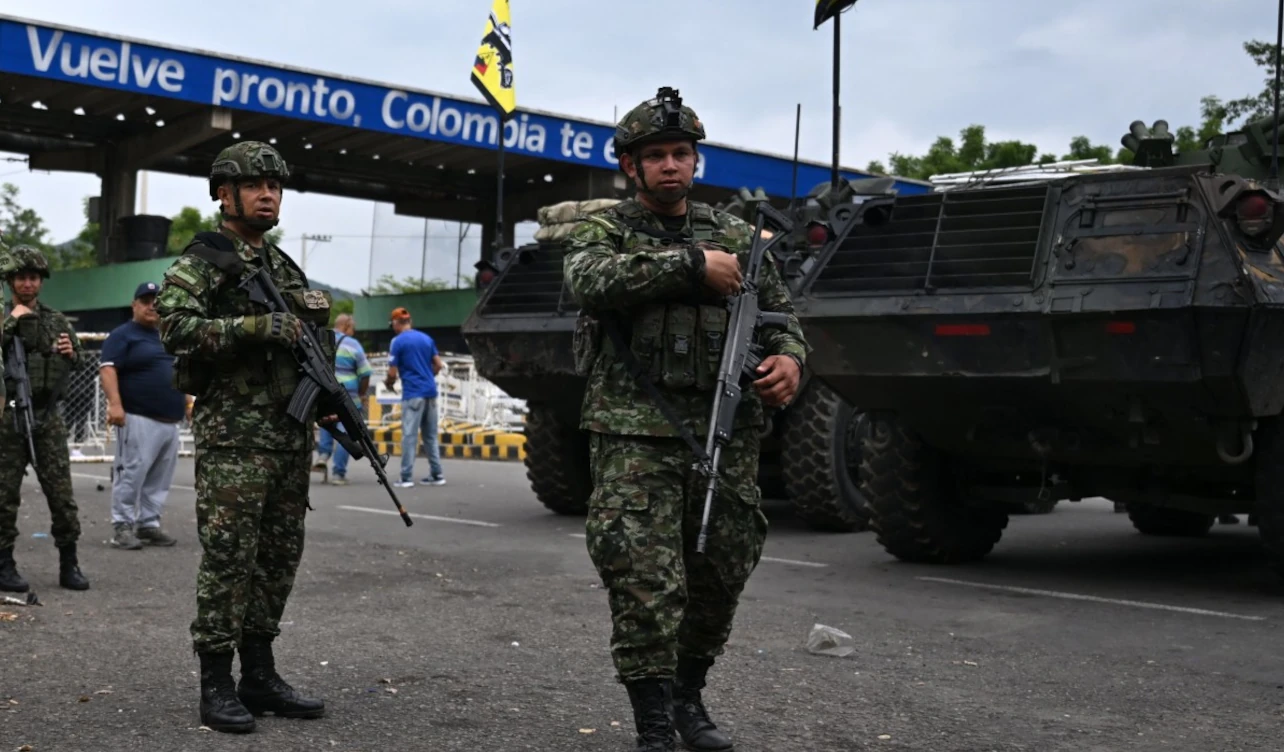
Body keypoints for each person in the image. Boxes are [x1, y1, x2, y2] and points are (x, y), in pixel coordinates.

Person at [563, 87, 808, 752]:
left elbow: (784, 319)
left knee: (721, 572)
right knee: (645, 581)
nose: (671, 165)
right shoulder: (604, 231)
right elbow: (589, 280)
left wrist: (789, 361)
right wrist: (693, 266)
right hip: (634, 434)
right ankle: (653, 723)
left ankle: (687, 697)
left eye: (681, 153)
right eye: (655, 156)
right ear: (630, 167)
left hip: (724, 433)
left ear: (696, 161)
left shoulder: (739, 237)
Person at [155, 140, 328, 733]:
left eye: (275, 186)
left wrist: (327, 403)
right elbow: (173, 326)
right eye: (255, 185)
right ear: (224, 195)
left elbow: (305, 346)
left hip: (288, 436)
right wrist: (253, 327)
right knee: (230, 560)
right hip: (235, 438)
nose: (268, 195)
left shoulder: (282, 268)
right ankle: (215, 682)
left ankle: (259, 674)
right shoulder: (203, 259)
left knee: (279, 558)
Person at [0, 245, 93, 593]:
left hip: (47, 417)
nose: (27, 284)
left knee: (62, 496)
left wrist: (72, 353)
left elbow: (80, 360)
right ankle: (4, 563)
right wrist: (13, 320)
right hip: (8, 417)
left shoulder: (55, 320)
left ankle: (69, 562)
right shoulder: (3, 316)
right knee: (4, 495)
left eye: (33, 278)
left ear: (41, 281)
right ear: (10, 282)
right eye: (21, 278)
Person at [100, 281, 185, 550]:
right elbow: (108, 369)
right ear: (134, 305)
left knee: (159, 478)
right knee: (131, 474)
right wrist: (115, 405)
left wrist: (189, 403)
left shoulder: (168, 336)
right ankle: (122, 526)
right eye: (145, 301)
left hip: (170, 420)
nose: (152, 306)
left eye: (156, 301)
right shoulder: (123, 334)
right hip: (137, 416)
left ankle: (149, 524)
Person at [383, 307, 445, 488]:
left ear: (396, 323)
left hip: (413, 394)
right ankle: (437, 474)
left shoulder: (397, 341)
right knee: (431, 437)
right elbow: (438, 365)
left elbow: (392, 372)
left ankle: (406, 477)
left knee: (409, 436)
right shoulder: (427, 339)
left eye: (392, 324)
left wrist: (389, 383)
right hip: (431, 393)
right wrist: (427, 377)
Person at [314, 313, 371, 486]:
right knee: (346, 434)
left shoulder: (322, 341)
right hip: (347, 397)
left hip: (325, 393)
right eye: (352, 328)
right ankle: (338, 474)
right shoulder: (352, 344)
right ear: (346, 326)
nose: (353, 332)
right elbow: (365, 373)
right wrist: (361, 394)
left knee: (327, 425)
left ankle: (323, 455)